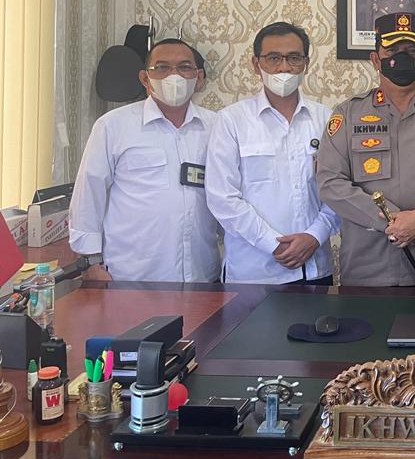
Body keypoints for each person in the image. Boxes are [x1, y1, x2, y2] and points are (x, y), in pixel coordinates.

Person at [316, 12, 415, 286]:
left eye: (413, 51)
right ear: (375, 59)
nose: (402, 58)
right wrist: (390, 220)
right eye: (392, 51)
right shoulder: (347, 114)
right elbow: (330, 182)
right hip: (368, 267)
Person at [69, 38, 221, 282]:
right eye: (162, 67)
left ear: (199, 77)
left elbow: (228, 195)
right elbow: (89, 194)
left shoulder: (217, 127)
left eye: (184, 67)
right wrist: (89, 262)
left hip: (201, 276)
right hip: (131, 276)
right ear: (145, 78)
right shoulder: (113, 126)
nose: (174, 76)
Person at [205, 22, 338, 284]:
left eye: (294, 58)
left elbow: (339, 189)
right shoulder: (231, 120)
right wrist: (272, 244)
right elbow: (222, 198)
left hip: (314, 267)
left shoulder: (327, 119)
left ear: (306, 63)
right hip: (252, 272)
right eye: (273, 58)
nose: (284, 67)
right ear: (256, 64)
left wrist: (314, 236)